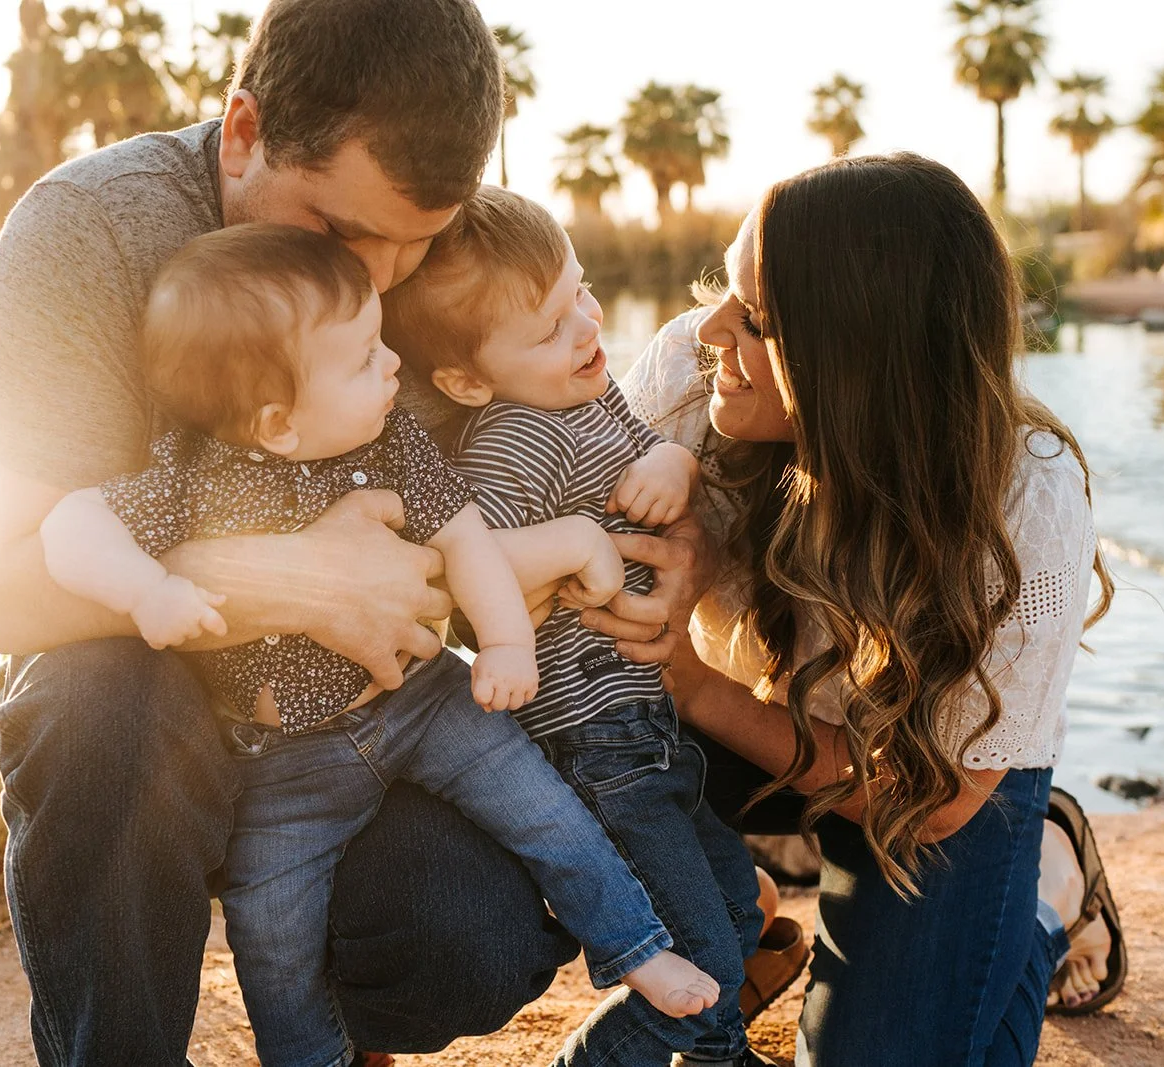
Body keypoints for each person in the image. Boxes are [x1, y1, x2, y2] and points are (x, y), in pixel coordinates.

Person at [0, 1, 724, 1062]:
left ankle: (354, 1036)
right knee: (94, 710)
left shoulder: (421, 256)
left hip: (352, 715)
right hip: (146, 683)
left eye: (420, 240)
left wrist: (667, 540)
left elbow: (564, 424)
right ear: (245, 130)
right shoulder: (92, 231)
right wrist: (282, 579)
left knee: (475, 934)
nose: (384, 278)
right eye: (344, 233)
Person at [37, 222, 721, 1067]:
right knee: (270, 925)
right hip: (289, 758)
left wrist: (506, 643)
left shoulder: (393, 443)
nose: (391, 363)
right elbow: (69, 525)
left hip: (423, 703)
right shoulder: (191, 479)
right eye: (364, 356)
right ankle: (310, 1056)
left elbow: (466, 539)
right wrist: (147, 591)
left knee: (545, 808)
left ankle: (636, 946)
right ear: (278, 422)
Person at [621, 153, 1128, 1066]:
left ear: (850, 355)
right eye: (723, 292)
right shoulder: (692, 385)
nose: (710, 330)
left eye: (754, 319)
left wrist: (695, 687)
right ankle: (743, 914)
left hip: (928, 776)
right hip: (734, 730)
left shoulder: (1024, 502)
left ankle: (1048, 884)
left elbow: (928, 803)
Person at [383, 187, 768, 1067]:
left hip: (652, 730)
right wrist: (572, 545)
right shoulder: (517, 436)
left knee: (737, 912)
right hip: (595, 743)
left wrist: (674, 460)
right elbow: (467, 566)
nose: (588, 325)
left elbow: (644, 454)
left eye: (582, 292)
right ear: (468, 380)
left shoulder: (585, 399)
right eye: (552, 326)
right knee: (699, 957)